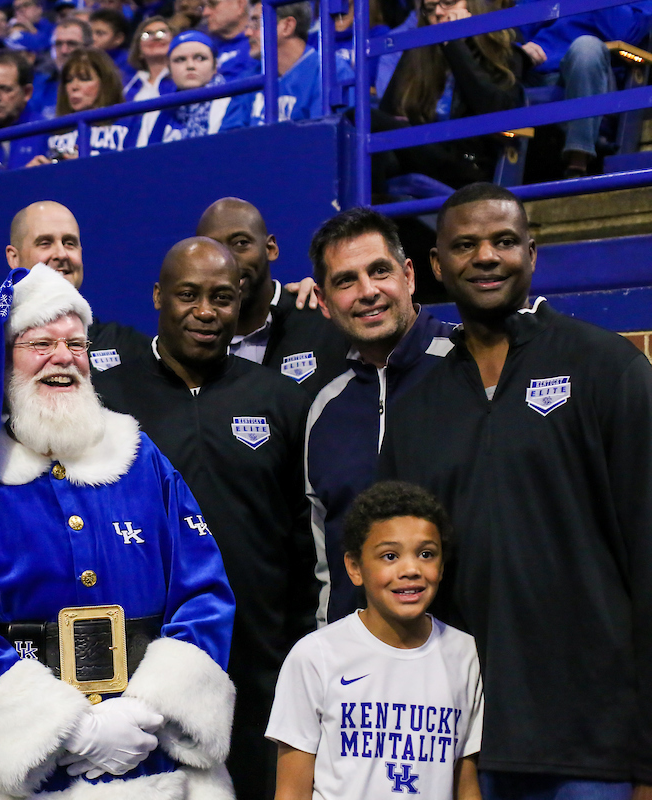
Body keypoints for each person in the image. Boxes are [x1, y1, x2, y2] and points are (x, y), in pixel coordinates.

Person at [0, 262, 238, 800]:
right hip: (14, 778)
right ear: (4, 361)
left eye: (76, 344)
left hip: (148, 756)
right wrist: (70, 731)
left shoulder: (140, 460)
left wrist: (145, 713)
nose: (63, 358)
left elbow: (204, 590)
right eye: (40, 343)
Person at [379, 182, 652, 798]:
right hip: (462, 743)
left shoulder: (606, 368)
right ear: (436, 266)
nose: (486, 257)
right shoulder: (416, 409)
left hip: (598, 745)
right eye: (466, 244)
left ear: (533, 253)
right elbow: (397, 580)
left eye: (504, 241)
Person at [92, 237, 314, 800]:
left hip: (260, 668)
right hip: (142, 673)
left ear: (241, 302)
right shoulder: (108, 399)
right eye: (188, 295)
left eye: (221, 297)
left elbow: (300, 542)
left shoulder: (281, 399)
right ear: (158, 297)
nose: (206, 311)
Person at [267, 481, 484, 800]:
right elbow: (291, 792)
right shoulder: (315, 656)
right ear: (355, 567)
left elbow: (465, 784)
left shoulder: (464, 654)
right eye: (390, 556)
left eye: (426, 554)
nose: (411, 569)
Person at [302, 207, 455, 626]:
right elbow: (327, 560)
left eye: (379, 271)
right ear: (324, 301)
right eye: (346, 281)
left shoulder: (468, 368)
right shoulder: (326, 409)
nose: (367, 291)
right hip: (359, 672)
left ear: (408, 275)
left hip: (470, 657)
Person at [195, 198, 348, 398]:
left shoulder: (323, 318)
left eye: (241, 243)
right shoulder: (192, 341)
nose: (227, 260)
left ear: (270, 249)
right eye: (213, 249)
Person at [372, 0, 522, 191]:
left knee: (364, 120)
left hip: (470, 164)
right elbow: (386, 115)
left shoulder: (501, 50)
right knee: (360, 123)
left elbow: (500, 114)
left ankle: (367, 208)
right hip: (425, 154)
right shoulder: (417, 54)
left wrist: (455, 44)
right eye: (430, 8)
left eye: (448, 2)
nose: (439, 12)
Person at [5, 200, 152, 366]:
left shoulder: (128, 348)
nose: (61, 254)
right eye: (45, 243)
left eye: (69, 243)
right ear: (14, 257)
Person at [517, 3, 652, 177]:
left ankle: (578, 162)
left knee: (586, 46)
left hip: (593, 73)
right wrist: (519, 49)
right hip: (538, 70)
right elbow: (517, 29)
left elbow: (626, 32)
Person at [250, 1, 355, 123]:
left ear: (287, 26)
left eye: (257, 23)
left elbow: (322, 135)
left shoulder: (330, 71)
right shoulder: (250, 76)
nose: (247, 32)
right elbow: (229, 132)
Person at [141, 32, 251, 145]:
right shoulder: (154, 112)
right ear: (169, 68)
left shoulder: (233, 103)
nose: (190, 66)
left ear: (215, 66)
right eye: (180, 59)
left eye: (200, 58)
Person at [32, 49, 133, 164]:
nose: (74, 87)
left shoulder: (129, 123)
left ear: (105, 83)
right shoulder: (52, 132)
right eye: (68, 80)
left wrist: (86, 165)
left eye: (84, 79)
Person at [201, 0, 256, 80]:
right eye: (203, 7)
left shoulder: (260, 45)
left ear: (240, 4)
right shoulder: (200, 44)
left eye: (213, 4)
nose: (205, 13)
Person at [124, 16, 176, 101]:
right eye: (147, 34)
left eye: (163, 32)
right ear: (139, 50)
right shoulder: (128, 85)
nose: (156, 37)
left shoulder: (183, 78)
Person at [90, 10, 135, 80]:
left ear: (118, 39)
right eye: (89, 32)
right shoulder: (85, 57)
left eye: (100, 33)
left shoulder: (129, 63)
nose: (93, 38)